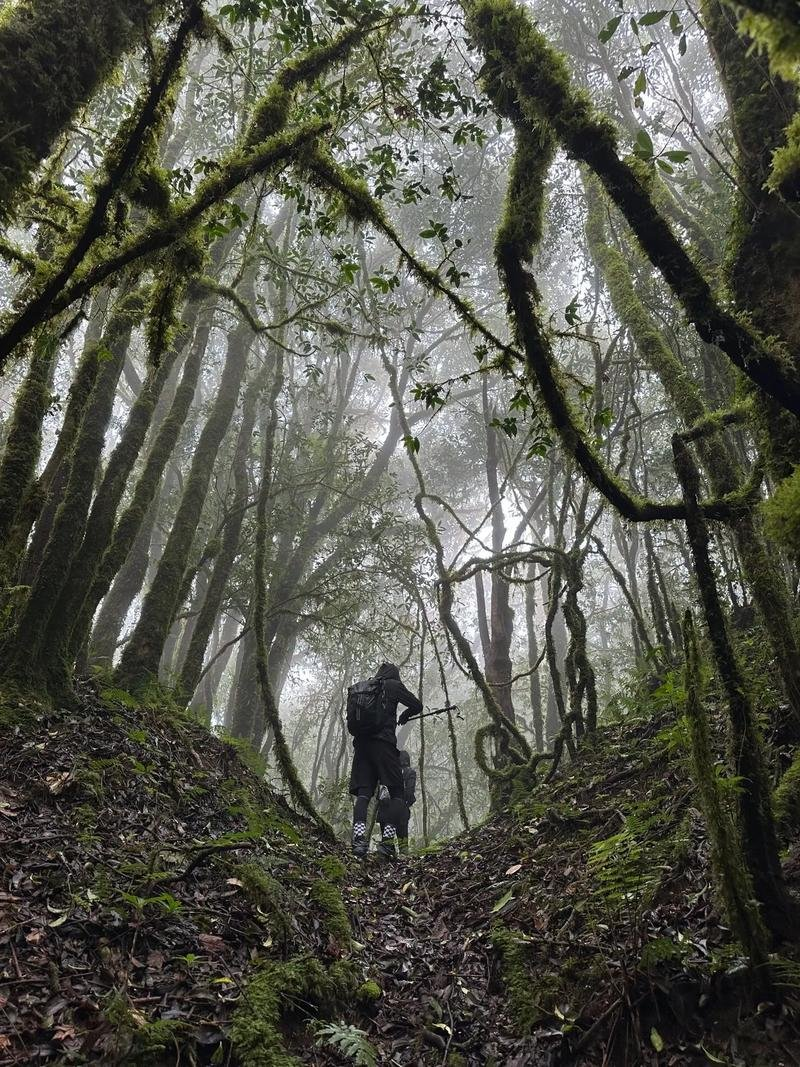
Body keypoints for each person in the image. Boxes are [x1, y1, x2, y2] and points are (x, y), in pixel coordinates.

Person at [348, 662, 422, 859]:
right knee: (397, 793)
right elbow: (417, 705)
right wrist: (405, 715)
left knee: (364, 794)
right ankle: (387, 844)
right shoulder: (393, 685)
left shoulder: (365, 687)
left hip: (362, 746)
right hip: (384, 746)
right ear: (395, 675)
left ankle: (358, 841)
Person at [377, 749, 416, 854]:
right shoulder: (410, 772)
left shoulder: (388, 771)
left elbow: (380, 791)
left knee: (387, 841)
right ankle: (403, 863)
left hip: (384, 810)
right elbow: (409, 792)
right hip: (400, 809)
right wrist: (410, 802)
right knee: (402, 842)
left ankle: (385, 862)